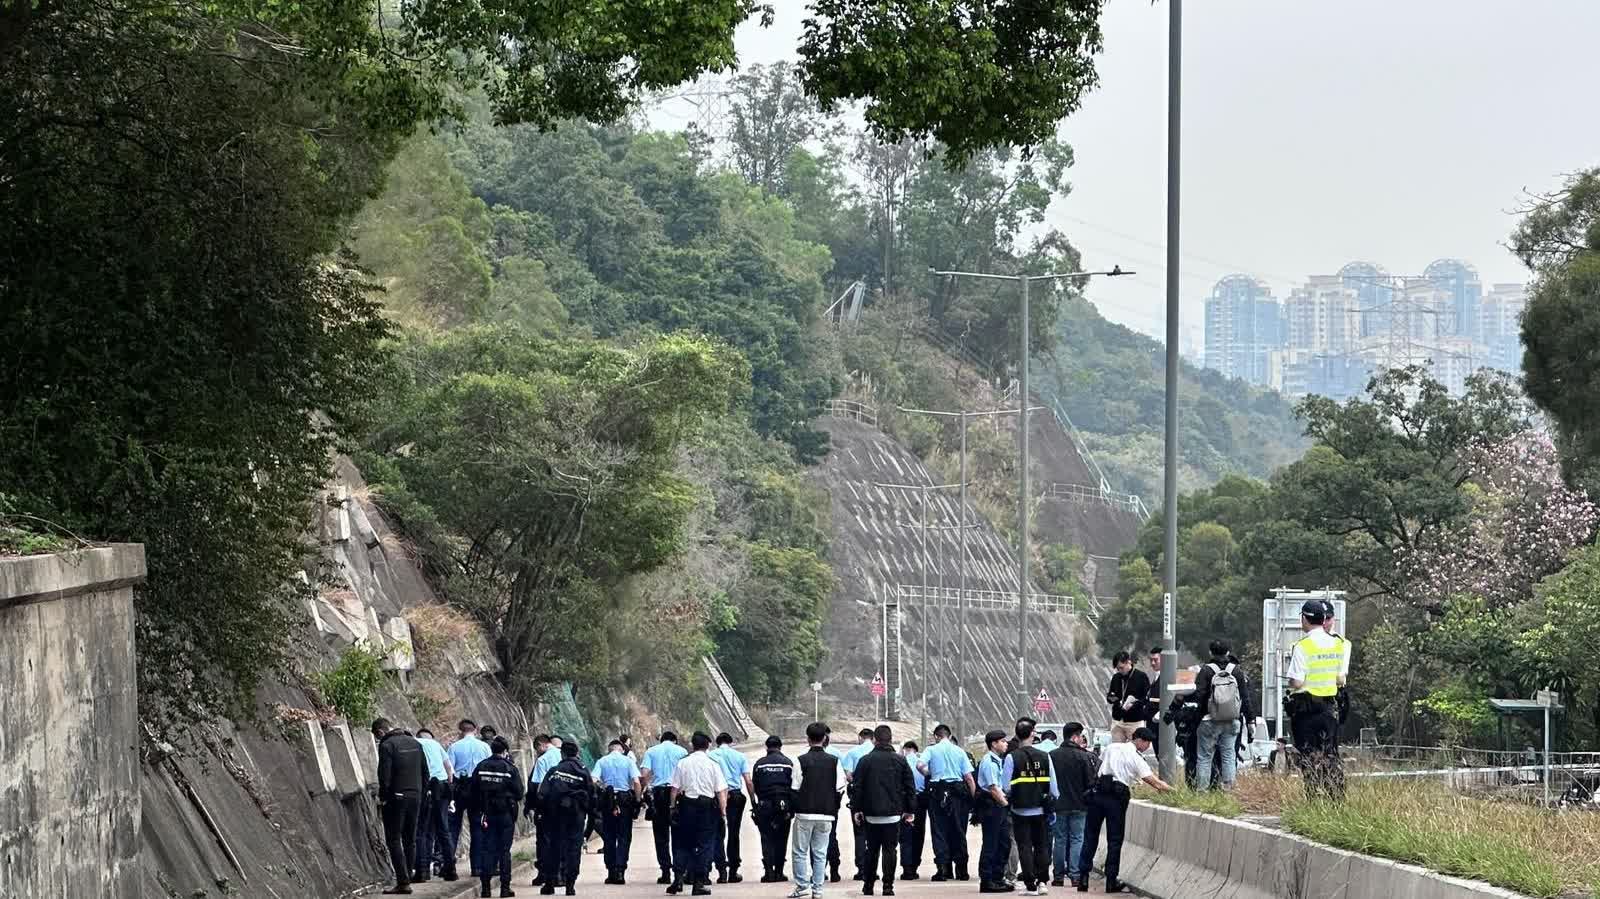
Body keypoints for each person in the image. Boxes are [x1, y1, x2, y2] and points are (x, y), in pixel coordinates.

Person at [1077, 727, 1171, 894]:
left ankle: (1083, 878)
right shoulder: (1135, 757)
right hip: (1116, 798)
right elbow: (1153, 781)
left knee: (1090, 835)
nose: (1148, 746)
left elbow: (1100, 765)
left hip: (1098, 793)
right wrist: (1173, 791)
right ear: (1141, 740)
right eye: (1147, 743)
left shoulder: (1112, 747)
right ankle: (1111, 881)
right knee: (1115, 840)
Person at [1287, 600, 1347, 801]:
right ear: (1324, 619)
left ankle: (1313, 799)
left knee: (1308, 756)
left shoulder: (1302, 646)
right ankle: (1336, 799)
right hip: (1329, 709)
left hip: (1306, 711)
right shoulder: (1338, 643)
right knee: (1330, 754)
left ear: (1304, 618)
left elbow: (1296, 682)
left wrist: (1289, 680)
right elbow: (1340, 678)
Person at [848, 725, 916, 897]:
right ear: (890, 739)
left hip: (871, 814)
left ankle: (868, 885)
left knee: (871, 849)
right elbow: (910, 787)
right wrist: (910, 810)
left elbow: (857, 788)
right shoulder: (900, 760)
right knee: (890, 850)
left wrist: (857, 809)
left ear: (875, 740)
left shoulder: (865, 760)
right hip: (893, 814)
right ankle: (888, 886)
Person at [1003, 719, 1058, 897]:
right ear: (1033, 734)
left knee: (1024, 846)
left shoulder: (1012, 757)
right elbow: (1054, 788)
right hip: (1041, 810)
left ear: (1017, 735)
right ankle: (1042, 882)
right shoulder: (1045, 756)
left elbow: (1006, 787)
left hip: (1019, 810)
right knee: (1041, 845)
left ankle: (1030, 885)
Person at [668, 732, 726, 897]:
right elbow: (720, 791)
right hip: (707, 808)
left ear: (692, 745)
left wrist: (672, 808)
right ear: (708, 745)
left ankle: (678, 879)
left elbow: (674, 789)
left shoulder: (683, 763)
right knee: (704, 845)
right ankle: (699, 883)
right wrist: (723, 813)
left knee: (682, 843)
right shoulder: (713, 764)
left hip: (687, 806)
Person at [786, 722, 841, 899]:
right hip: (826, 814)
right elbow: (840, 788)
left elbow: (794, 789)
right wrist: (833, 807)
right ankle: (818, 889)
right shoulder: (835, 761)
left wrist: (795, 808)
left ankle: (802, 886)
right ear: (825, 738)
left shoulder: (800, 760)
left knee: (800, 852)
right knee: (820, 852)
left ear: (808, 739)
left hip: (804, 813)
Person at [374, 719, 428, 895]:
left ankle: (403, 882)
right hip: (416, 795)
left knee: (394, 838)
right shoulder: (415, 743)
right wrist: (422, 792)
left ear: (381, 732)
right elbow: (425, 772)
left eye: (376, 736)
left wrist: (384, 797)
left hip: (396, 797)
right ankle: (408, 876)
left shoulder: (387, 745)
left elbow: (384, 774)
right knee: (410, 838)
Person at [919, 723, 975, 882]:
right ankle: (962, 870)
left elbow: (919, 765)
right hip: (957, 794)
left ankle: (943, 870)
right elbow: (969, 778)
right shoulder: (959, 751)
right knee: (958, 831)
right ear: (950, 736)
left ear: (936, 737)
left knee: (939, 831)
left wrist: (928, 773)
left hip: (937, 793)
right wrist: (972, 799)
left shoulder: (931, 749)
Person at [1191, 640, 1249, 791]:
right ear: (1228, 652)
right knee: (1229, 755)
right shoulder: (1236, 670)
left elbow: (1199, 695)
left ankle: (1202, 792)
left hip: (1209, 720)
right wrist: (1250, 719)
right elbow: (1245, 696)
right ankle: (1228, 790)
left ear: (1211, 652)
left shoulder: (1206, 670)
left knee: (1204, 757)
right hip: (1232, 720)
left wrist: (1197, 717)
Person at [538, 740, 595, 897]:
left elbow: (542, 794)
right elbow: (592, 795)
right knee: (573, 850)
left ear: (562, 753)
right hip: (576, 817)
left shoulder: (554, 771)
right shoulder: (584, 771)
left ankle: (550, 883)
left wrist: (543, 813)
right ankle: (570, 885)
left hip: (556, 816)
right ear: (577, 754)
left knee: (554, 848)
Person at [472, 735, 526, 899]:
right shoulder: (509, 768)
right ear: (505, 751)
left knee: (487, 850)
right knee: (504, 852)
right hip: (505, 815)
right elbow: (519, 792)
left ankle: (485, 890)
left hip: (487, 814)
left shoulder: (481, 767)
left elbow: (473, 790)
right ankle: (504, 889)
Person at [1047, 723, 1096, 889]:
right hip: (1079, 805)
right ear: (1076, 736)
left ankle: (1058, 876)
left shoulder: (1052, 755)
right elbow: (1090, 782)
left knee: (1059, 839)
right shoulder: (1083, 756)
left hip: (1058, 805)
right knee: (1077, 839)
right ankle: (1075, 875)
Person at [447, 720, 493, 881]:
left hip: (459, 788)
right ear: (476, 730)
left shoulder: (454, 747)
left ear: (460, 731)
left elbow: (450, 771)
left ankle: (449, 866)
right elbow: (489, 767)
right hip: (478, 789)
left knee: (452, 828)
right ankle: (477, 867)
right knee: (478, 828)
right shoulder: (485, 747)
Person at [592, 739, 643, 884]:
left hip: (608, 801)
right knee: (623, 837)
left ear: (609, 749)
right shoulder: (628, 761)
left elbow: (593, 780)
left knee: (609, 836)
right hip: (624, 800)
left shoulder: (602, 761)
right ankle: (621, 871)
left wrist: (600, 793)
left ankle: (611, 871)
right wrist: (637, 800)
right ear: (621, 749)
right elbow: (637, 782)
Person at [642, 731, 688, 885]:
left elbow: (645, 773)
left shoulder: (651, 751)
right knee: (679, 834)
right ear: (674, 740)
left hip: (659, 794)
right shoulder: (682, 751)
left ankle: (665, 871)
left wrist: (646, 788)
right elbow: (686, 773)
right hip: (677, 794)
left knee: (661, 835)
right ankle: (680, 871)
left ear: (661, 740)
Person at [751, 735, 796, 883]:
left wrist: (758, 803)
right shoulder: (788, 763)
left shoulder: (759, 764)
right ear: (780, 747)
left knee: (767, 838)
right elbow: (793, 786)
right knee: (782, 839)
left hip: (765, 805)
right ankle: (779, 872)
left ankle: (769, 872)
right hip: (784, 806)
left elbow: (755, 786)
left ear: (766, 747)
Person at [414, 728, 456, 884]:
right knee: (443, 830)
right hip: (442, 788)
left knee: (421, 832)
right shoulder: (436, 744)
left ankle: (422, 871)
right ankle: (451, 869)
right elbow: (449, 769)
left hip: (425, 789)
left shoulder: (415, 743)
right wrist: (450, 792)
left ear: (417, 736)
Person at [973, 730, 1014, 894]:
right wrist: (1005, 805)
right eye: (1003, 741)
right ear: (994, 744)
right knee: (992, 843)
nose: (1006, 744)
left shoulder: (998, 760)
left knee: (1004, 843)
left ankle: (997, 878)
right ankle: (987, 880)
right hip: (992, 806)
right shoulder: (989, 761)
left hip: (998, 806)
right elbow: (994, 788)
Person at [709, 733, 752, 884]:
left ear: (717, 742)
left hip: (716, 796)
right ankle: (733, 871)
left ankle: (721, 871)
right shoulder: (739, 756)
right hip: (735, 796)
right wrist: (753, 801)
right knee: (734, 833)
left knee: (717, 833)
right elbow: (748, 781)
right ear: (731, 742)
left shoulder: (711, 755)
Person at [528, 735, 565, 888]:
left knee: (544, 841)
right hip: (565, 806)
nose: (537, 752)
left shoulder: (542, 760)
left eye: (537, 748)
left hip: (547, 806)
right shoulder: (563, 756)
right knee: (562, 840)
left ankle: (544, 874)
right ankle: (561, 875)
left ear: (541, 745)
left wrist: (533, 806)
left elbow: (537, 786)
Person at [840, 728, 876, 881]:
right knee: (875, 835)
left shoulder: (853, 753)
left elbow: (848, 776)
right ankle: (873, 869)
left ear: (860, 738)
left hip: (858, 798)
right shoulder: (878, 751)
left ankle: (861, 868)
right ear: (873, 738)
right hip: (877, 798)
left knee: (859, 833)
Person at [896, 741, 927, 881]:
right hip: (920, 800)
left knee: (905, 836)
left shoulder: (900, 762)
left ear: (905, 749)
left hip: (904, 801)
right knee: (919, 834)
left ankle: (907, 868)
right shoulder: (922, 763)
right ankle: (914, 866)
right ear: (915, 750)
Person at [1322, 599, 1354, 728]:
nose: (1324, 623)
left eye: (1328, 618)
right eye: (1321, 619)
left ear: (1333, 619)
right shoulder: (1304, 643)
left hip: (1331, 699)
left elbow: (1341, 676)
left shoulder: (1343, 643)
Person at [1105, 652, 1150, 744]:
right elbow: (1110, 695)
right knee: (1116, 750)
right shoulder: (1116, 677)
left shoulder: (1141, 676)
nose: (1120, 670)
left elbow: (1146, 698)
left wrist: (1134, 704)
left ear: (1128, 662)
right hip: (1117, 720)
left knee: (1135, 750)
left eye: (1121, 667)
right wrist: (1113, 699)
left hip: (1135, 721)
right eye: (1118, 669)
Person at [1146, 647, 1165, 751]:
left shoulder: (1167, 677)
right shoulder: (1156, 677)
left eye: (1156, 660)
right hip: (1153, 723)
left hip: (1160, 723)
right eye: (1151, 660)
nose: (1153, 663)